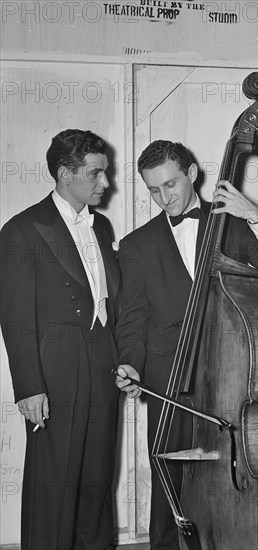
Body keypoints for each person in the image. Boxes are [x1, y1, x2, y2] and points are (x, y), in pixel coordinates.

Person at [115, 140, 258, 550]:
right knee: (170, 481)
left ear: (193, 174)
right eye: (153, 190)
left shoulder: (230, 224)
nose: (164, 198)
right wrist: (129, 363)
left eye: (171, 185)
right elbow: (132, 320)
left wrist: (254, 215)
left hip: (229, 376)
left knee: (233, 473)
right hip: (169, 380)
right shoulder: (136, 245)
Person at [0, 129, 121, 550]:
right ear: (64, 173)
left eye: (105, 173)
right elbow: (15, 316)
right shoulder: (22, 230)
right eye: (96, 174)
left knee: (97, 476)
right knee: (54, 479)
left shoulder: (102, 226)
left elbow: (110, 300)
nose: (106, 183)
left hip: (102, 362)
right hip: (54, 370)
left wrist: (122, 359)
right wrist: (30, 387)